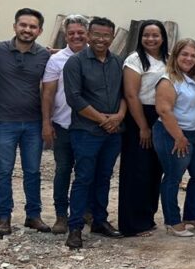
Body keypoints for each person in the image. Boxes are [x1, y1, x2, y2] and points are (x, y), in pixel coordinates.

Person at [0, 8, 52, 237]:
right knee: (3, 171)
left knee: (32, 171)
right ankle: (3, 217)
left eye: (33, 26)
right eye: (23, 25)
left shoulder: (44, 55)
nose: (27, 29)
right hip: (4, 122)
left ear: (39, 31)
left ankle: (33, 215)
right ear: (14, 26)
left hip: (33, 123)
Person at [63, 16, 126, 249]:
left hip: (113, 132)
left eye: (106, 35)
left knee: (104, 177)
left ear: (112, 37)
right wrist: (102, 120)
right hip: (86, 131)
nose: (101, 39)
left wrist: (119, 116)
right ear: (89, 35)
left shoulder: (117, 62)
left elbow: (125, 94)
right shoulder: (76, 63)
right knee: (84, 178)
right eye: (97, 34)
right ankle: (75, 227)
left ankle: (100, 221)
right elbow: (74, 98)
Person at [153, 39, 195, 238]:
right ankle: (172, 220)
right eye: (184, 54)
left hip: (194, 135)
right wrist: (179, 137)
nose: (189, 59)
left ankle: (191, 214)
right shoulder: (168, 80)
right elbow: (164, 110)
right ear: (175, 56)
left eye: (193, 55)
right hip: (173, 134)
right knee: (173, 177)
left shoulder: (193, 79)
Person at [118, 20, 169, 237]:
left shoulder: (167, 59)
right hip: (140, 116)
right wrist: (143, 127)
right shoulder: (135, 60)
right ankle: (132, 223)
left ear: (163, 38)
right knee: (136, 170)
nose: (151, 39)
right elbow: (131, 94)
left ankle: (147, 217)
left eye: (155, 35)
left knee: (155, 170)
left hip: (161, 115)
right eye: (146, 35)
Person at [42, 14, 90, 234]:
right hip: (63, 125)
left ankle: (85, 211)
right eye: (71, 33)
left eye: (80, 32)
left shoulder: (97, 58)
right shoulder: (56, 60)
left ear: (87, 33)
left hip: (90, 128)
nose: (76, 36)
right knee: (63, 170)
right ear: (65, 35)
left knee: (87, 172)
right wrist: (46, 123)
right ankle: (61, 215)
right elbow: (48, 94)